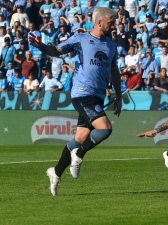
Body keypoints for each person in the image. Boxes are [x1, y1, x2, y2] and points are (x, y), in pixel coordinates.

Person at [29, 7, 122, 196]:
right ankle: (79, 155)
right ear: (99, 22)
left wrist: (119, 95)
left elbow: (114, 71)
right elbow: (56, 50)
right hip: (82, 93)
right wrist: (40, 46)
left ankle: (56, 172)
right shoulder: (81, 39)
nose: (114, 25)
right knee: (104, 129)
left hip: (97, 96)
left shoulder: (111, 46)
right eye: (111, 22)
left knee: (79, 138)